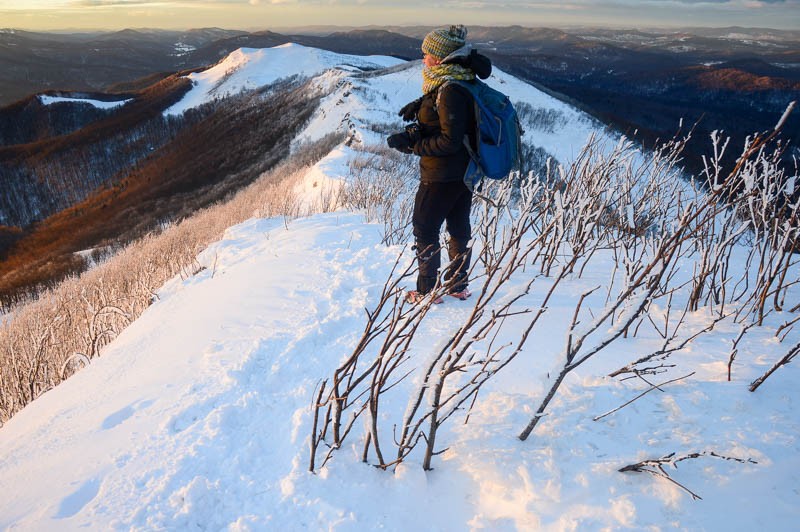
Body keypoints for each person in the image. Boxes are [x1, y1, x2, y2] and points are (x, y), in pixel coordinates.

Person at [386, 25, 491, 304]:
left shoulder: (451, 90)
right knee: (458, 227)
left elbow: (449, 141)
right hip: (464, 171)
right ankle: (457, 285)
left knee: (425, 227)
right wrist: (419, 115)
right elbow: (451, 125)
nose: (423, 58)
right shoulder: (458, 80)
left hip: (442, 174)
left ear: (441, 57)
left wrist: (412, 146)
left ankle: (425, 291)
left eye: (427, 53)